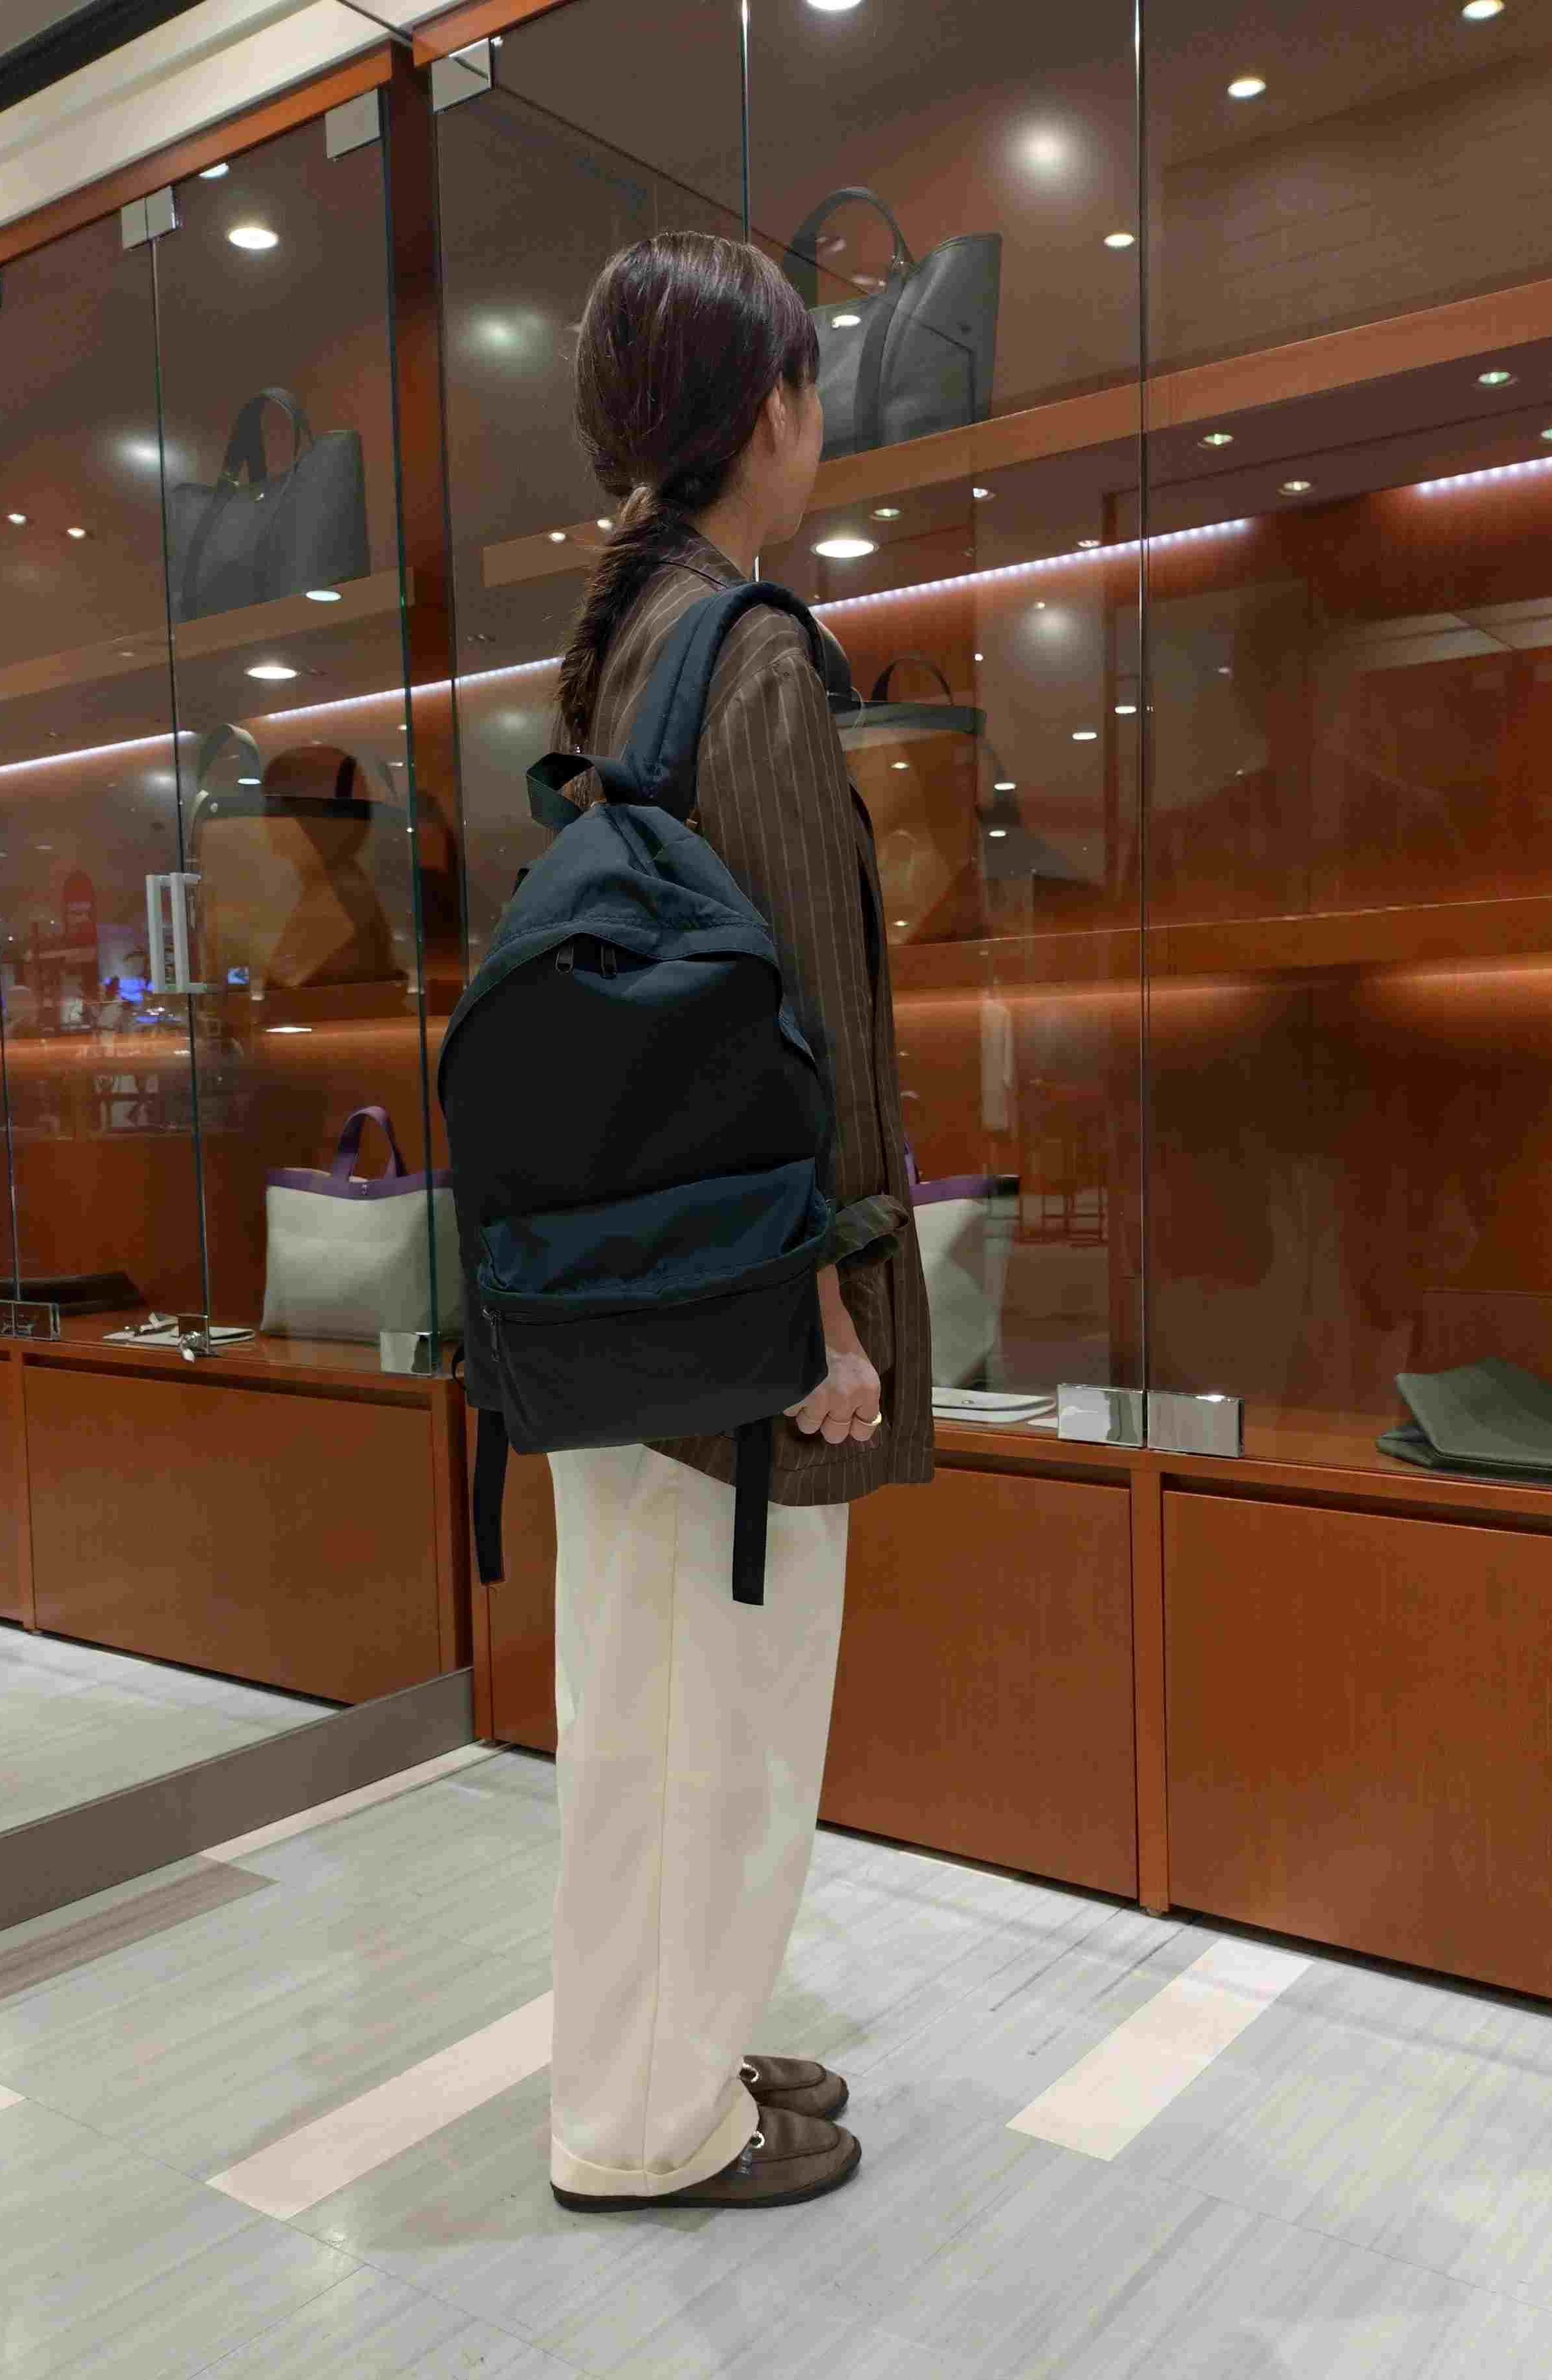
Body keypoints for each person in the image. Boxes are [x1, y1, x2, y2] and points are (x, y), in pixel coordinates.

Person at [541, 231, 936, 2214]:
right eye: (807, 386)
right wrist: (833, 1310)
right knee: (732, 1722)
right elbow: (804, 1015)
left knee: (637, 1707)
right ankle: (646, 2125)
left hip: (620, 1278)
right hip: (743, 1307)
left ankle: (653, 2062)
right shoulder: (751, 647)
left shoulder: (619, 633)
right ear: (768, 410)